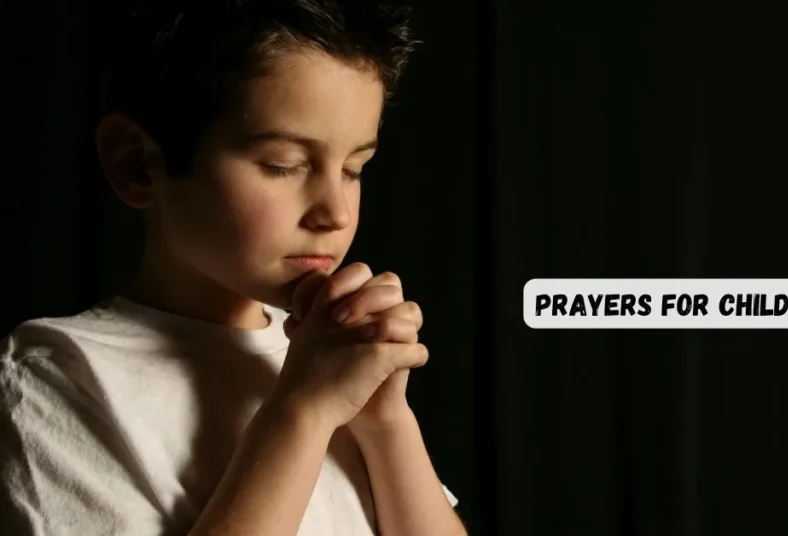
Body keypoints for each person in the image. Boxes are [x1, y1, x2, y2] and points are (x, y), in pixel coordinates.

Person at [0, 1, 466, 534]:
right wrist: (303, 410)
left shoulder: (330, 355)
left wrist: (385, 421)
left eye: (354, 169)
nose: (335, 213)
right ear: (136, 164)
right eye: (283, 165)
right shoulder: (50, 378)